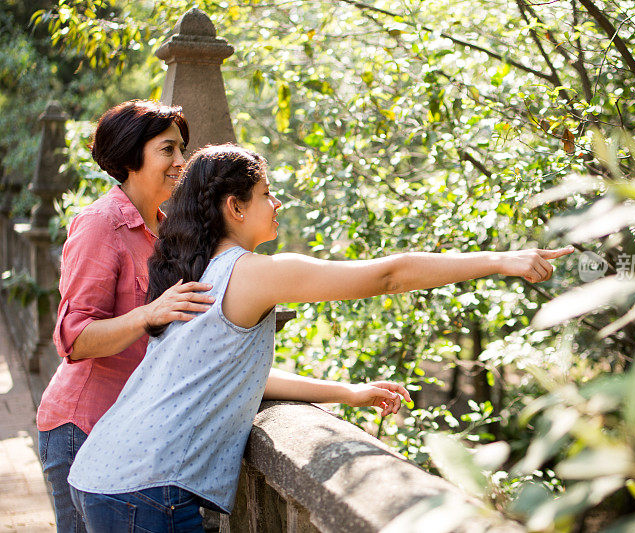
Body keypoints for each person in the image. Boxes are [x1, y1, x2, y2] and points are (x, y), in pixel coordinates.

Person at [66, 144, 574, 532]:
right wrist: (499, 260)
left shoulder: (198, 273)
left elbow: (240, 377)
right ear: (234, 207)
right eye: (266, 194)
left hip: (109, 476)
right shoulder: (251, 273)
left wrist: (345, 392)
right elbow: (387, 276)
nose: (277, 202)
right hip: (147, 490)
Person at [36, 100, 215, 533]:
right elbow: (73, 339)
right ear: (133, 155)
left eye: (182, 149)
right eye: (167, 150)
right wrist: (147, 315)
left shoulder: (167, 228)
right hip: (82, 426)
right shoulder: (100, 224)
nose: (180, 162)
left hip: (134, 430)